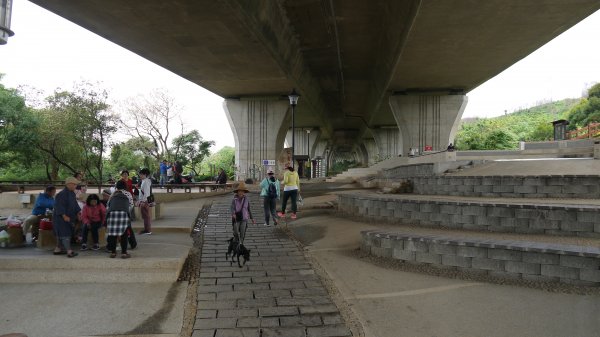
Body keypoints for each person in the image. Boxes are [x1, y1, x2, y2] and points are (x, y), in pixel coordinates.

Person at [53, 177, 81, 257]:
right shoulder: (61, 194)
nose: (76, 186)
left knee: (61, 234)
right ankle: (69, 251)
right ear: (69, 184)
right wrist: (64, 215)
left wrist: (78, 213)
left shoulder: (72, 193)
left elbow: (75, 205)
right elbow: (59, 206)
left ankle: (57, 249)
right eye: (75, 184)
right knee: (65, 234)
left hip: (70, 217)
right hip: (60, 218)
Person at [106, 180, 132, 258]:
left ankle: (113, 253)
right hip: (123, 214)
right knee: (124, 234)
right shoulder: (128, 194)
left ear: (116, 186)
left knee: (113, 234)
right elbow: (131, 205)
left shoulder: (113, 194)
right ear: (125, 186)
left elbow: (108, 206)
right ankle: (124, 253)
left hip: (112, 214)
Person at [138, 168, 153, 235]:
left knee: (146, 216)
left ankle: (147, 230)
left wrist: (143, 202)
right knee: (145, 216)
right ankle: (146, 229)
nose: (140, 175)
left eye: (141, 174)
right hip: (145, 201)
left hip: (145, 201)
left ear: (145, 174)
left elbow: (146, 193)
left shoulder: (146, 182)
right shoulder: (145, 181)